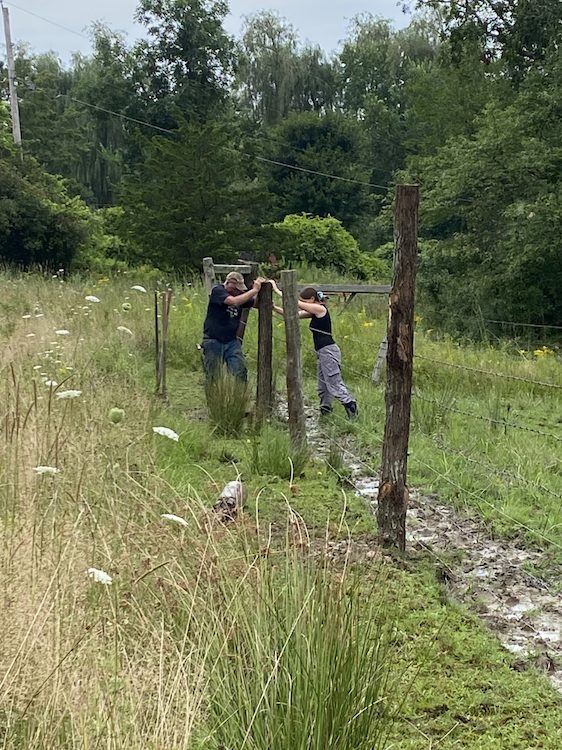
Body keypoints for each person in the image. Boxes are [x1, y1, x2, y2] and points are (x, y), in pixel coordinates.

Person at [271, 281, 358, 419]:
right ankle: (326, 409)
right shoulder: (314, 312)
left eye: (304, 301)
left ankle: (350, 404)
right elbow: (292, 314)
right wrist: (274, 307)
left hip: (328, 350)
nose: (302, 302)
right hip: (322, 351)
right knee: (323, 384)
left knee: (333, 380)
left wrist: (277, 290)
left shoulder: (321, 309)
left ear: (312, 299)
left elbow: (294, 303)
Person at [202, 271, 264, 383]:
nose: (237, 291)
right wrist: (254, 290)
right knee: (213, 376)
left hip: (231, 342)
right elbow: (233, 302)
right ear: (229, 283)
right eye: (235, 288)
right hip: (213, 340)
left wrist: (260, 290)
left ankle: (240, 397)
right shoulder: (218, 291)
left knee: (240, 372)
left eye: (239, 289)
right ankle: (213, 398)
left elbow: (256, 304)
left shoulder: (239, 295)